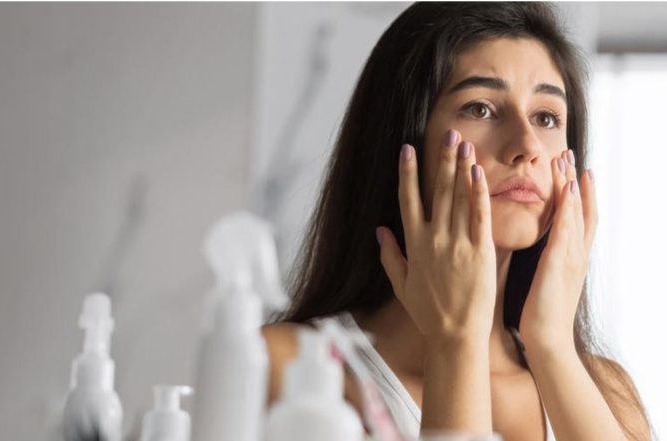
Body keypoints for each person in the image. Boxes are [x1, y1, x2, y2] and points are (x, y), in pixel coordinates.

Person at [261, 3, 653, 440]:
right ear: (401, 141)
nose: (527, 146)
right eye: (480, 109)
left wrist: (553, 346)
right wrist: (455, 342)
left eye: (546, 117)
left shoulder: (609, 394)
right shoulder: (284, 367)